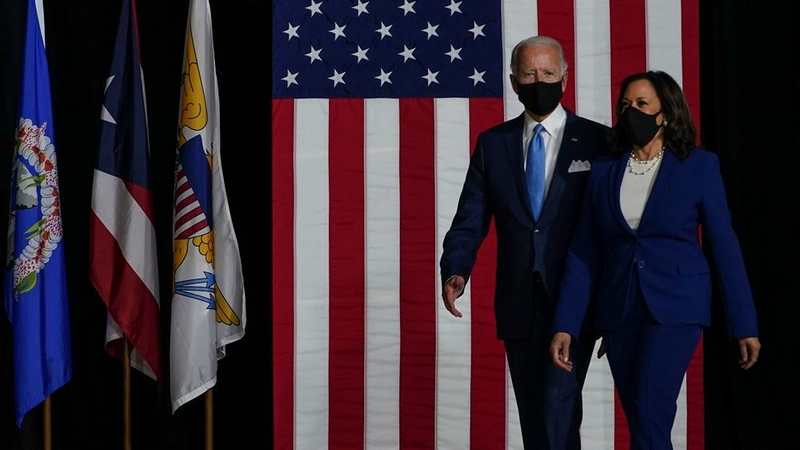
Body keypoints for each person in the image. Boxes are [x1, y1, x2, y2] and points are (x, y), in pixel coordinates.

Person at [549, 70, 761, 450]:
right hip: (619, 311)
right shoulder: (604, 170)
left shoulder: (698, 166)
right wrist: (567, 323)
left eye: (642, 104)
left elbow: (724, 246)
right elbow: (584, 252)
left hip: (676, 308)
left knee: (648, 412)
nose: (632, 112)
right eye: (625, 105)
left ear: (665, 113)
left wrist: (743, 323)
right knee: (644, 420)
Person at [440, 35, 609, 450]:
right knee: (535, 418)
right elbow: (470, 218)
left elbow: (614, 226)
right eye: (530, 73)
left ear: (564, 79)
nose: (540, 81)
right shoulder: (492, 144)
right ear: (514, 82)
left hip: (575, 301)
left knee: (558, 409)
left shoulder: (599, 143)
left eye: (548, 73)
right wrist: (456, 270)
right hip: (518, 304)